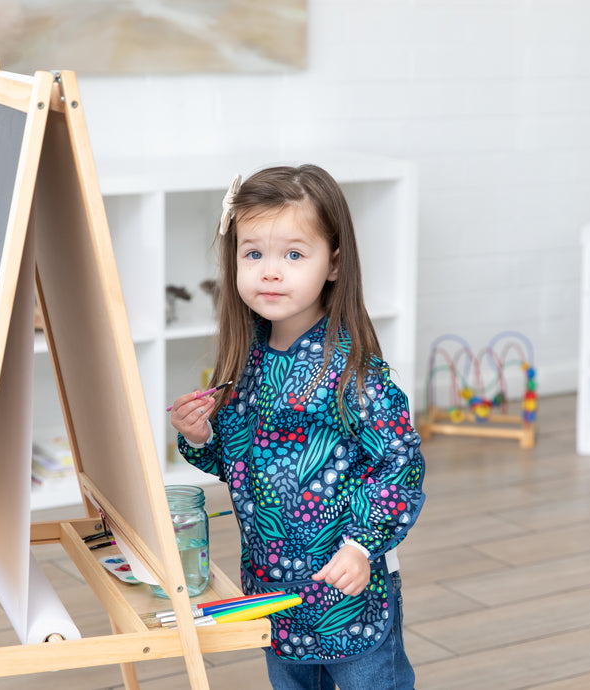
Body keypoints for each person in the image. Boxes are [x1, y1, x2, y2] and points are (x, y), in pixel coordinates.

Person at [170, 164, 425, 690]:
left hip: (349, 595)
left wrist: (360, 544)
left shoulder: (355, 375)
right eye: (253, 253)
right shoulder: (247, 365)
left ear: (332, 264)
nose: (270, 271)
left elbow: (399, 464)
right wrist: (201, 438)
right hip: (274, 592)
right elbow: (239, 464)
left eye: (293, 254)